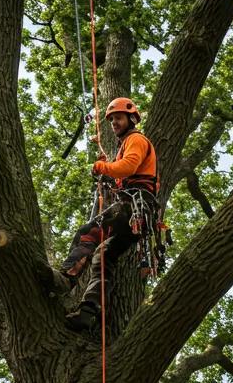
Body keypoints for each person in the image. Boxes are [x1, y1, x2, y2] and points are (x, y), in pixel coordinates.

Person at [52, 97, 162, 331]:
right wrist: (109, 173)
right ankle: (88, 311)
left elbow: (128, 167)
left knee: (88, 233)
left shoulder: (136, 139)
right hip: (138, 217)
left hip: (134, 208)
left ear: (132, 118)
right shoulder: (127, 144)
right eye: (111, 120)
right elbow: (123, 174)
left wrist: (102, 167)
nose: (113, 123)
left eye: (118, 118)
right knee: (105, 257)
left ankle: (64, 279)